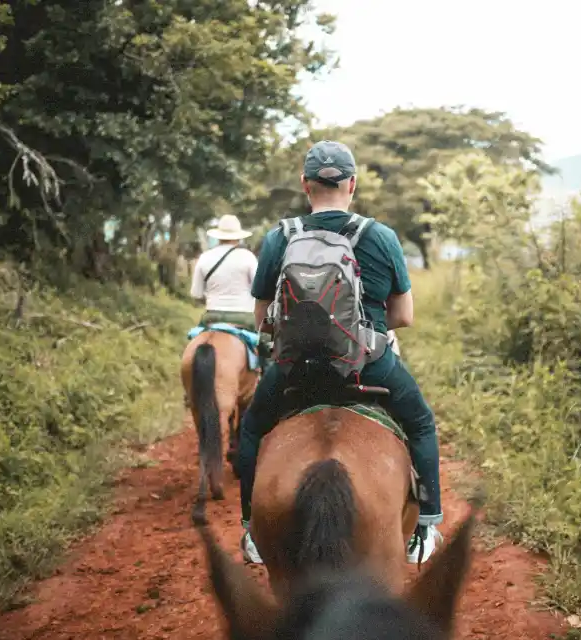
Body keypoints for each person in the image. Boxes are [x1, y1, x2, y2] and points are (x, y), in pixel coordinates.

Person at [237, 140, 443, 566]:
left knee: (253, 427)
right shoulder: (380, 236)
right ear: (352, 184)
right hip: (369, 363)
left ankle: (251, 531)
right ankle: (426, 526)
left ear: (305, 184)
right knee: (421, 422)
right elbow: (403, 315)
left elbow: (262, 318)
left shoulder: (280, 236)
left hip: (294, 368)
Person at [189, 214, 258, 330]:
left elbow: (196, 293)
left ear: (218, 236)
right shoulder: (248, 257)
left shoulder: (205, 257)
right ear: (239, 236)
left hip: (212, 315)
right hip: (243, 316)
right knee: (262, 345)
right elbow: (259, 289)